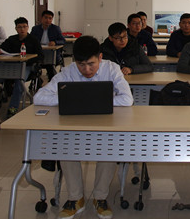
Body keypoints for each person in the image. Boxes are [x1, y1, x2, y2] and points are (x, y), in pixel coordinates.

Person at [33, 36, 133, 219]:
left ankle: (100, 197)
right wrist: (70, 99)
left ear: (100, 57)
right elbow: (38, 97)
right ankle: (75, 198)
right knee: (65, 148)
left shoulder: (112, 69)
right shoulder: (68, 71)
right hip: (75, 127)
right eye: (81, 65)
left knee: (110, 150)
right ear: (75, 61)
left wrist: (88, 100)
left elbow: (127, 99)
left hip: (105, 127)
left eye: (91, 64)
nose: (87, 70)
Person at [0, 17, 44, 117]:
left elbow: (40, 56)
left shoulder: (33, 40)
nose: (22, 29)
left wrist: (27, 59)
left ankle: (13, 108)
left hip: (27, 66)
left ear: (28, 27)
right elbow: (1, 48)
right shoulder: (11, 39)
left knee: (19, 82)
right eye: (20, 27)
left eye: (24, 27)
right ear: (16, 28)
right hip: (11, 66)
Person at [30, 10, 65, 79]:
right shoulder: (35, 29)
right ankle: (38, 79)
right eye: (45, 18)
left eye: (50, 18)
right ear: (41, 18)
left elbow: (63, 40)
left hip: (52, 53)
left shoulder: (56, 28)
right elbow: (30, 40)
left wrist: (55, 42)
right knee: (34, 63)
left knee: (50, 63)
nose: (47, 20)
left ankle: (51, 79)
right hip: (39, 52)